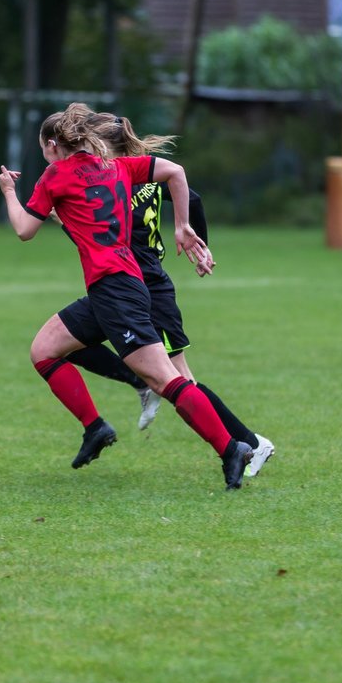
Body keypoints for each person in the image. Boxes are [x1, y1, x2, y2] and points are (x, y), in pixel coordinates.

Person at [0, 103, 253, 490]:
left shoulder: (55, 175)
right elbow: (176, 172)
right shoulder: (116, 167)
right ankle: (95, 427)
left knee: (166, 380)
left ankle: (231, 447)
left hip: (116, 289)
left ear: (53, 145)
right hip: (113, 287)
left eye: (43, 148)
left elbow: (23, 230)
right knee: (45, 350)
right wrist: (182, 225)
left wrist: (8, 192)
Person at [62, 113, 275, 477]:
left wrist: (193, 240)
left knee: (180, 379)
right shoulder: (140, 176)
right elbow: (191, 196)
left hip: (144, 289)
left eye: (85, 143)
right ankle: (141, 384)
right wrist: (197, 239)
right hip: (123, 287)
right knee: (62, 343)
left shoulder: (116, 180)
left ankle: (251, 444)